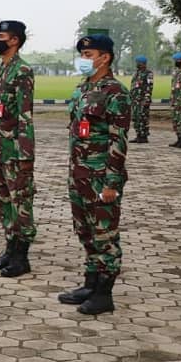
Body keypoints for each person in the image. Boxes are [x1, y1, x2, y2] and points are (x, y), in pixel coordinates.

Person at [59, 34, 131, 315]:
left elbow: (118, 139)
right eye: (83, 54)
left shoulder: (116, 92)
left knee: (104, 233)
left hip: (102, 175)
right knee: (85, 231)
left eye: (89, 55)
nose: (84, 59)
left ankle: (104, 293)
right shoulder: (81, 89)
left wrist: (112, 181)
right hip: (79, 174)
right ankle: (90, 282)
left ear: (105, 57)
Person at [0, 21, 36, 277]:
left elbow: (25, 115)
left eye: (1, 36)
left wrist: (26, 154)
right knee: (3, 202)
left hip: (15, 150)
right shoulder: (2, 69)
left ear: (14, 40)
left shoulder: (22, 70)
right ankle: (9, 248)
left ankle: (21, 256)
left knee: (20, 202)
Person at [129, 55, 153, 143]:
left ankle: (144, 136)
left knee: (143, 117)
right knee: (136, 117)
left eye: (139, 63)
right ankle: (138, 134)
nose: (137, 64)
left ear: (143, 63)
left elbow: (149, 87)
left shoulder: (148, 73)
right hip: (135, 100)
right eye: (137, 63)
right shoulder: (136, 73)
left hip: (142, 99)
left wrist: (146, 99)